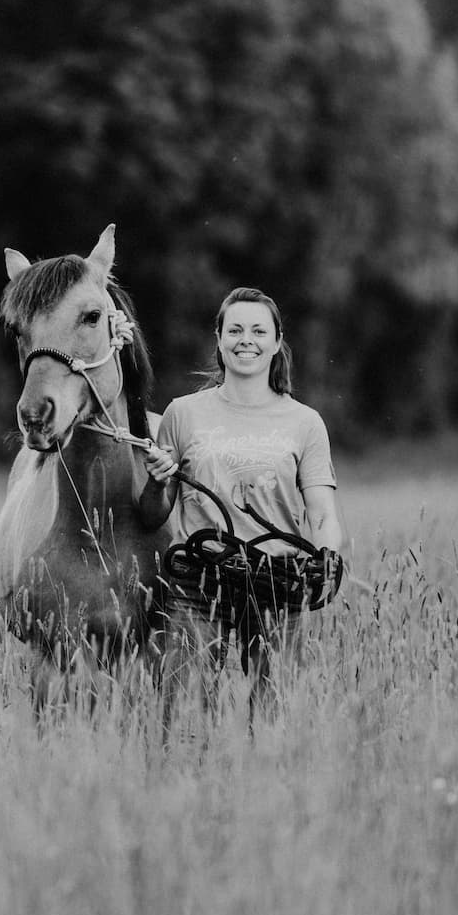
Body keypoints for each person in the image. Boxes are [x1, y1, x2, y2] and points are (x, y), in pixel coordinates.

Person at [139, 286, 342, 700]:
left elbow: (321, 513)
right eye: (234, 330)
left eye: (257, 330)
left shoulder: (305, 422)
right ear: (219, 340)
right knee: (185, 715)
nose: (245, 339)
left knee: (274, 718)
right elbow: (151, 514)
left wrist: (328, 557)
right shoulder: (182, 414)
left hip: (277, 582)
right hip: (197, 583)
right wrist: (158, 482)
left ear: (277, 342)